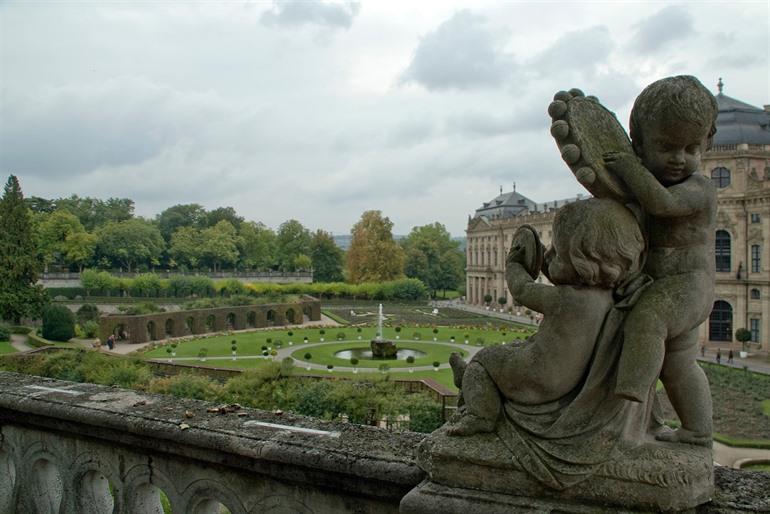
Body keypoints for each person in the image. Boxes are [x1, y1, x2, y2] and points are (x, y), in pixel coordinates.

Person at [448, 198, 645, 435]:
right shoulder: (608, 296)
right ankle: (470, 377)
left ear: (580, 260)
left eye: (556, 252)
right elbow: (567, 279)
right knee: (518, 345)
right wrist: (542, 261)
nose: (549, 256)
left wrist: (514, 264)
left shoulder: (564, 299)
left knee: (487, 358)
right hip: (569, 380)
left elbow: (521, 290)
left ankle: (480, 412)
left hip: (540, 377)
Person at [603, 76, 718, 446]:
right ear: (640, 144)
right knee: (679, 364)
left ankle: (628, 400)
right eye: (667, 147)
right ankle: (698, 430)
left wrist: (629, 169)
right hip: (665, 284)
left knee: (647, 320)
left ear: (707, 144)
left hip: (689, 285)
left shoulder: (700, 187)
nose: (679, 158)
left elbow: (662, 206)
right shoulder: (651, 184)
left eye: (690, 148)